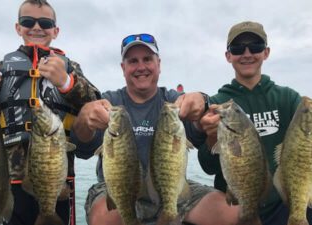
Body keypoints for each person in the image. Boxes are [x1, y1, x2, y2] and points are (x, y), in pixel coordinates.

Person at [0, 0, 101, 224]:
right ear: (18, 27)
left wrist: (68, 83)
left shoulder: (69, 68)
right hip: (5, 179)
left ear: (55, 30)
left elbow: (96, 106)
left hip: (56, 179)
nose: (37, 27)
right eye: (28, 21)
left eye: (44, 22)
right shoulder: (0, 70)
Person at [71, 33, 239, 225]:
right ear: (123, 68)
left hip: (171, 187)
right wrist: (84, 117)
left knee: (233, 212)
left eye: (147, 59)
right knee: (105, 217)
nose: (141, 67)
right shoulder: (109, 104)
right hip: (118, 188)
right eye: (133, 61)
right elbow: (83, 147)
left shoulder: (173, 101)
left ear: (158, 64)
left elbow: (198, 127)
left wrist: (203, 103)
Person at [197, 21, 312, 225]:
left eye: (255, 46)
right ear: (228, 56)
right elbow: (208, 166)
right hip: (236, 208)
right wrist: (212, 136)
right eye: (238, 48)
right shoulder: (217, 105)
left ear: (266, 52)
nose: (247, 53)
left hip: (283, 202)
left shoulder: (288, 98)